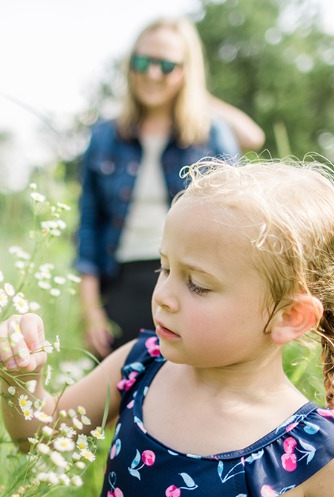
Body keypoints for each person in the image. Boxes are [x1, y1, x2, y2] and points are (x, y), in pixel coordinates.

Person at [0, 157, 334, 497]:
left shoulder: (315, 454)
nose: (163, 296)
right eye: (164, 269)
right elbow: (37, 438)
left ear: (290, 316)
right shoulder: (139, 364)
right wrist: (23, 376)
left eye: (198, 284)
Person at [76, 17, 265, 358]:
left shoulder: (210, 134)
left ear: (186, 71)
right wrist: (90, 309)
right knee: (114, 400)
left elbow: (238, 217)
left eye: (166, 65)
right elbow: (89, 226)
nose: (152, 74)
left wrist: (193, 92)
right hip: (119, 283)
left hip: (190, 282)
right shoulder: (104, 137)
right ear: (129, 63)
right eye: (143, 61)